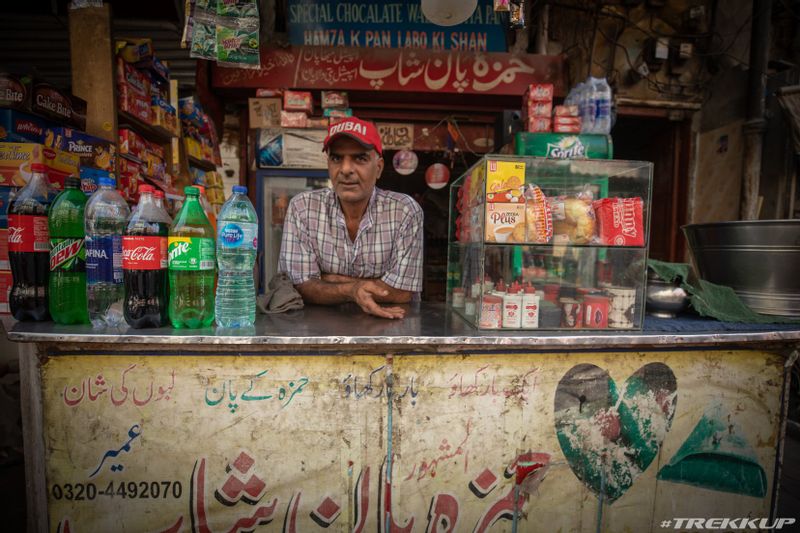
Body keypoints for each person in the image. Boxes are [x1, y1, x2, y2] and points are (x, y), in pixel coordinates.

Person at [278, 117, 423, 319]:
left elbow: (402, 292)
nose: (345, 169)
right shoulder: (303, 208)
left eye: (360, 158)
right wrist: (352, 289)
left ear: (379, 167)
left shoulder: (404, 211)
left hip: (388, 330)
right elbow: (299, 285)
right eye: (337, 158)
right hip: (318, 332)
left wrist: (329, 281)